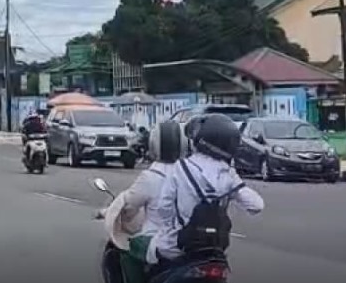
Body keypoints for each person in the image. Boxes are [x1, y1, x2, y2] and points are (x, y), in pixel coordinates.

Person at [147, 114, 263, 278]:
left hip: (177, 245)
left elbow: (163, 208)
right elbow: (256, 205)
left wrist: (170, 226)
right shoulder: (229, 174)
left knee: (145, 251)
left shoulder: (180, 168)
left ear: (201, 140)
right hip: (215, 249)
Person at [101, 121, 186, 283]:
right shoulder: (191, 174)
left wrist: (111, 213)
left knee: (128, 249)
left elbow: (129, 206)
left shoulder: (150, 177)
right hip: (190, 241)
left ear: (153, 144)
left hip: (158, 239)